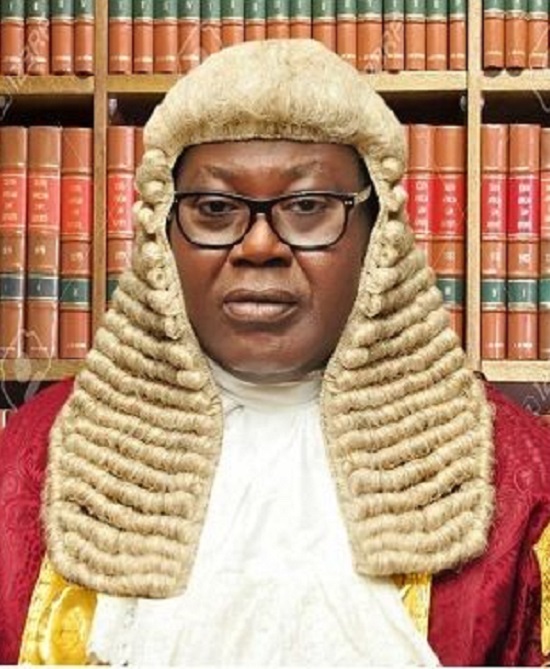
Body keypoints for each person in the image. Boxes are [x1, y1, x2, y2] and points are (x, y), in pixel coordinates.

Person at [1, 38, 550, 666]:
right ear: (162, 236)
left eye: (308, 207)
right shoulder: (34, 461)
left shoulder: (519, 476)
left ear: (378, 238)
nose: (259, 246)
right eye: (214, 209)